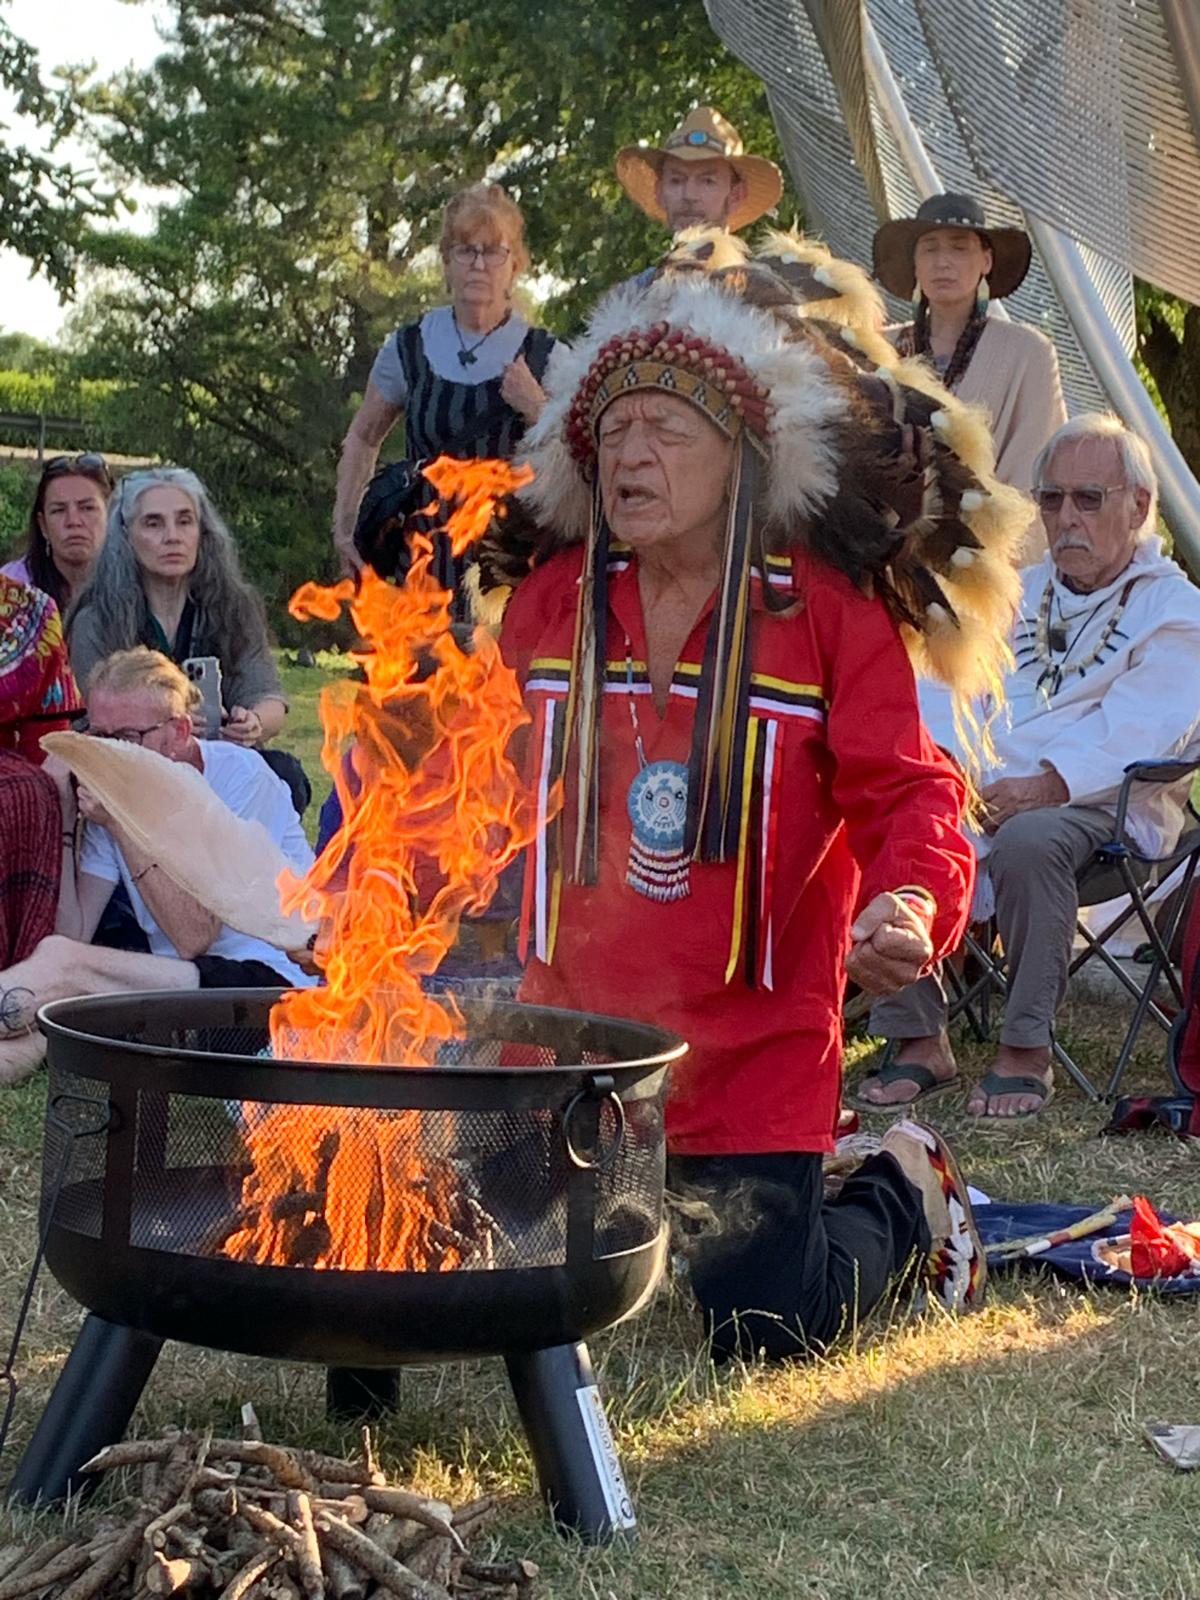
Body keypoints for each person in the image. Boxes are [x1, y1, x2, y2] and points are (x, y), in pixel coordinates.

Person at [484, 234, 1029, 1359]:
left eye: (666, 430)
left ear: (743, 454)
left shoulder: (821, 612)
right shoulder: (550, 606)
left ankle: (902, 1189)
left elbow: (911, 794)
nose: (631, 454)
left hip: (753, 1053)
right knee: (489, 1287)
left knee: (764, 1328)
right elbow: (472, 781)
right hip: (569, 1051)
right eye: (612, 432)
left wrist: (912, 902)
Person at [857, 415, 1200, 1120]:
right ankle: (918, 1036)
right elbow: (942, 686)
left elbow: (1148, 725)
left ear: (1139, 505)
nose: (1067, 518)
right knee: (899, 814)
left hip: (1106, 805)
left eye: (1089, 499)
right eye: (1052, 499)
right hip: (983, 790)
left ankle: (1025, 1049)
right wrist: (949, 775)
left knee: (1029, 839)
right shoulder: (1013, 592)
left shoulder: (1177, 607)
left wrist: (1046, 784)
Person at [0, 648, 316, 1085]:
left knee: (64, 963)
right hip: (185, 990)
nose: (109, 751)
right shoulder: (120, 786)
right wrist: (66, 816)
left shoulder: (239, 779)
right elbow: (74, 930)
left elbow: (194, 936)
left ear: (179, 731)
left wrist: (121, 823)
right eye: (98, 734)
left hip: (269, 987)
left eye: (127, 737)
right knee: (52, 1028)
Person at [333, 182, 557, 585]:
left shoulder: (548, 357)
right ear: (447, 262)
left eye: (494, 250)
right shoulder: (408, 348)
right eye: (466, 249)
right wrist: (346, 527)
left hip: (510, 572)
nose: (479, 263)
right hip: (423, 569)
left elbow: (578, 455)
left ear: (514, 265)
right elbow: (363, 438)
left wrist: (537, 407)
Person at [67, 467, 309, 812]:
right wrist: (167, 726)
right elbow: (93, 723)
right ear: (126, 535)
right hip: (134, 768)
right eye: (153, 524)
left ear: (202, 532)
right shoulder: (97, 619)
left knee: (287, 776)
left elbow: (268, 697)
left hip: (217, 761)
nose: (172, 536)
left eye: (185, 521)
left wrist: (252, 723)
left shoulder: (232, 606)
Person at [873, 193, 1066, 535]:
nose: (943, 262)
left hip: (987, 542)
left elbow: (1034, 467)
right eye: (929, 249)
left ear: (986, 261)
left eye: (959, 248)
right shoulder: (879, 348)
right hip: (888, 538)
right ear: (915, 264)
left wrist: (985, 533)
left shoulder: (1028, 352)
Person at [0, 575, 84, 970]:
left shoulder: (30, 612)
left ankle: (21, 979)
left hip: (13, 797)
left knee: (32, 791)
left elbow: (50, 744)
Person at [613, 106, 784, 292]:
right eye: (677, 180)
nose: (689, 195)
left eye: (707, 181)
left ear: (736, 196)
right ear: (660, 192)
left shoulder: (765, 294)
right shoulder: (635, 294)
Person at [1, 452, 114, 613]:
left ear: (112, 514)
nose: (73, 521)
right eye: (59, 510)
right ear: (43, 525)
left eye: (87, 508)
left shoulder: (140, 584)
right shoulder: (10, 587)